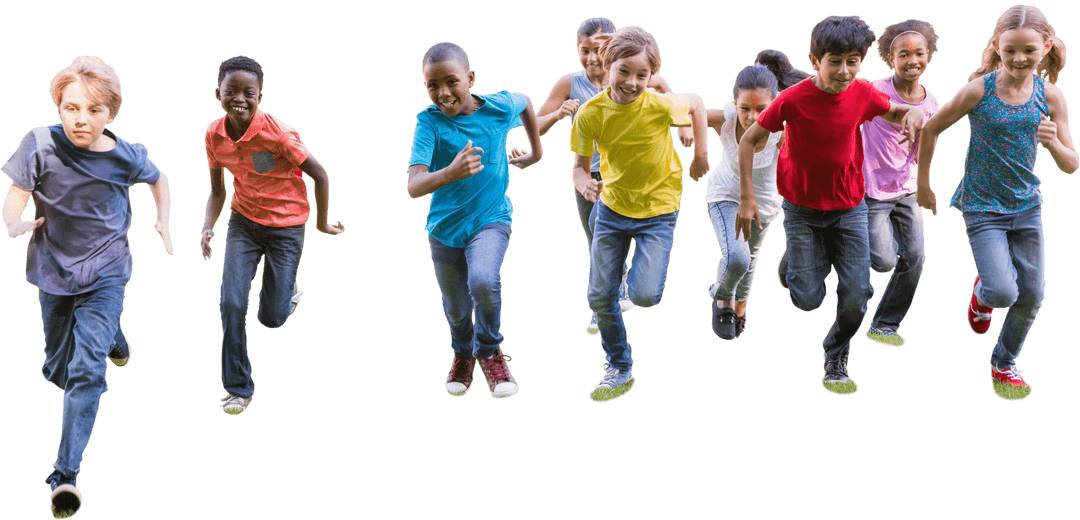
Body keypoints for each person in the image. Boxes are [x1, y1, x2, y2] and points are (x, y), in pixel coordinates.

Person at [2, 56, 173, 519]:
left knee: (86, 371)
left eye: (94, 110)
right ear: (59, 105)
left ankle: (65, 478)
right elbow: (15, 198)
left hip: (106, 272)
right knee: (57, 366)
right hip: (52, 271)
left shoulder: (127, 154)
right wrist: (13, 222)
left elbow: (160, 182)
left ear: (111, 113)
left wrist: (161, 221)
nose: (82, 119)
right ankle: (114, 336)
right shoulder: (38, 144)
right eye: (72, 107)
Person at [736, 15, 925, 395]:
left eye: (853, 61)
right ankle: (793, 263)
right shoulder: (792, 99)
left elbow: (897, 111)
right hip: (802, 210)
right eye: (834, 61)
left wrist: (914, 112)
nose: (843, 71)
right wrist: (746, 197)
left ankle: (836, 354)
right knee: (806, 299)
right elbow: (748, 140)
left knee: (856, 293)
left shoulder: (863, 93)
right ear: (815, 59)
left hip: (849, 207)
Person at [916, 4, 1076, 401]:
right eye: (1010, 51)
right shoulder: (979, 90)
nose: (1019, 59)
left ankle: (1004, 364)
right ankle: (985, 292)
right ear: (996, 47)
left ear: (1046, 46)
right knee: (1004, 292)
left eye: (1029, 50)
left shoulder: (1050, 96)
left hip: (1027, 207)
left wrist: (1054, 141)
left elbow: (1072, 164)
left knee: (1033, 294)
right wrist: (923, 185)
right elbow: (931, 129)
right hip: (983, 208)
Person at [200, 55, 346, 415]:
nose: (239, 98)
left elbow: (321, 175)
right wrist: (208, 225)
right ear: (216, 92)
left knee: (271, 318)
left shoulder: (278, 133)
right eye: (230, 91)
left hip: (286, 228)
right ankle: (239, 388)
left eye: (248, 92)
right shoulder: (213, 134)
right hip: (243, 223)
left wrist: (321, 223)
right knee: (231, 303)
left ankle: (288, 294)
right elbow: (218, 190)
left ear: (260, 94)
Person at [570, 25, 708, 402]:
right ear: (606, 64)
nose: (631, 82)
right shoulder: (590, 113)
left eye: (641, 75)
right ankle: (619, 366)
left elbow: (695, 104)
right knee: (600, 297)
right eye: (624, 71)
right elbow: (579, 166)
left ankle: (625, 280)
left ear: (652, 76)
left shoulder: (660, 104)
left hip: (658, 210)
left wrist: (700, 155)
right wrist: (584, 182)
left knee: (646, 296)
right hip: (613, 208)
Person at [407, 42, 542, 399]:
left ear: (470, 78)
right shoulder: (429, 122)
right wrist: (450, 172)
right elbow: (414, 184)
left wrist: (536, 151)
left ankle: (490, 352)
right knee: (456, 308)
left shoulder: (497, 107)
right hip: (444, 230)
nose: (443, 93)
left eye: (451, 81)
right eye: (432, 85)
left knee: (483, 280)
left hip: (491, 219)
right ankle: (462, 354)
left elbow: (526, 101)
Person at [533, 16, 682, 335]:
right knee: (597, 238)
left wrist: (684, 127)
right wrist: (559, 114)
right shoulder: (570, 83)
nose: (590, 58)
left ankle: (620, 288)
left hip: (632, 173)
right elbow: (535, 123)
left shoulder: (637, 76)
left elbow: (674, 103)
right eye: (583, 50)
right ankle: (607, 301)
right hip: (592, 174)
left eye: (597, 49)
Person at [703, 49, 808, 340]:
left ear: (776, 103)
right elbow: (686, 110)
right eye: (745, 108)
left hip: (764, 205)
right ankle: (721, 297)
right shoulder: (725, 119)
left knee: (749, 259)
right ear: (734, 102)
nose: (752, 117)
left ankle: (738, 310)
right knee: (736, 258)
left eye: (762, 109)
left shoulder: (782, 130)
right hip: (726, 196)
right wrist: (695, 136)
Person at [861, 20, 940, 348]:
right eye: (903, 54)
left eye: (919, 53)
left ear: (929, 55)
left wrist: (924, 185)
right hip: (871, 190)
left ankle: (886, 325)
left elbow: (925, 146)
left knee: (916, 256)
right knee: (884, 261)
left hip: (905, 189)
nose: (912, 60)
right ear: (889, 58)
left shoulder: (930, 103)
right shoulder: (874, 92)